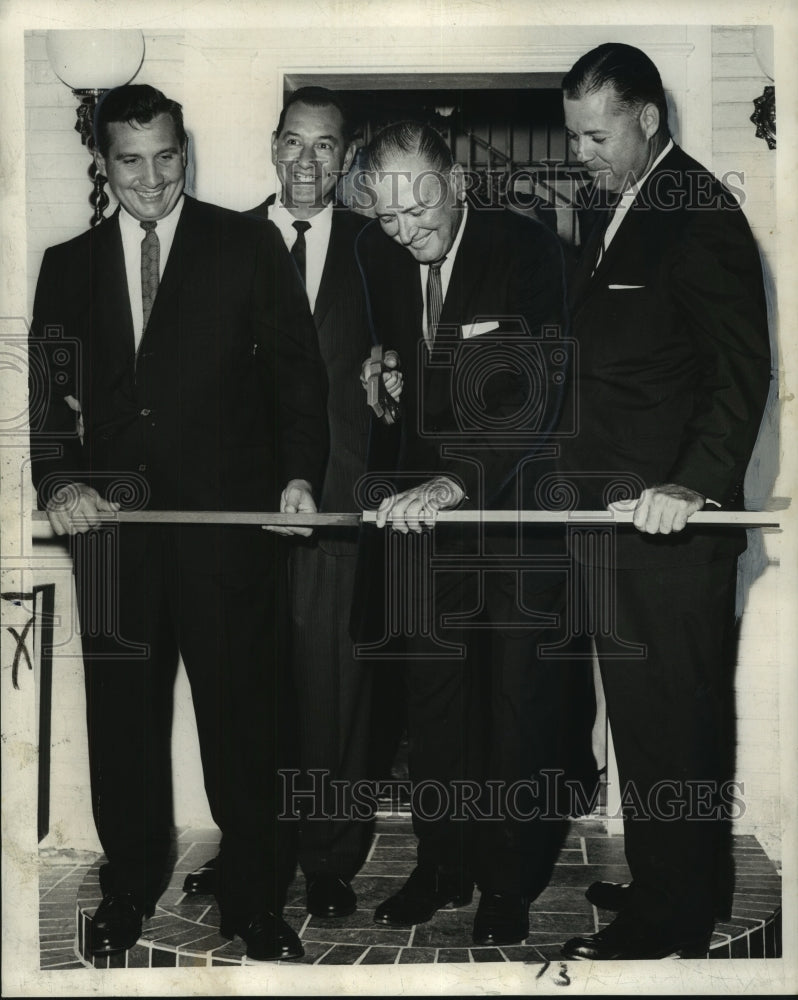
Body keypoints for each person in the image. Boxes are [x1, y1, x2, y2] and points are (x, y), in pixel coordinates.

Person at [28, 84, 328, 962]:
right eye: (131, 159)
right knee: (123, 725)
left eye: (167, 156)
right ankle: (128, 889)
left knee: (247, 725)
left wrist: (299, 479)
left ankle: (257, 898)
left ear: (184, 152)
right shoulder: (67, 265)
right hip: (115, 544)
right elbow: (50, 402)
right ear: (104, 162)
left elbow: (299, 382)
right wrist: (59, 482)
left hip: (228, 535)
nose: (152, 177)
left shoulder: (247, 245)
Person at [554, 43, 771, 960]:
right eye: (574, 137)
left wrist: (697, 484)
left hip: (671, 531)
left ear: (647, 117)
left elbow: (738, 370)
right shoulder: (630, 206)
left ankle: (677, 915)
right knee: (646, 721)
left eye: (595, 135)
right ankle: (666, 877)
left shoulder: (698, 211)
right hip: (620, 529)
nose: (581, 155)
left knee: (676, 722)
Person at [353, 121, 576, 946]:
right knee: (435, 708)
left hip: (516, 515)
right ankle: (442, 862)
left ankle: (510, 881)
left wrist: (460, 480)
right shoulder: (376, 255)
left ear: (458, 182)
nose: (406, 230)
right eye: (386, 217)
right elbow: (399, 372)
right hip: (423, 530)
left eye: (419, 207)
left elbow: (538, 388)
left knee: (517, 711)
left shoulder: (526, 247)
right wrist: (377, 378)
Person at [182, 87, 376, 919]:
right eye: (294, 143)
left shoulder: (378, 251)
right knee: (245, 697)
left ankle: (330, 857)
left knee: (336, 693)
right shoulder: (220, 243)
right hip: (239, 515)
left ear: (347, 156)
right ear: (272, 146)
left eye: (325, 147)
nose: (307, 162)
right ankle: (251, 848)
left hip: (336, 510)